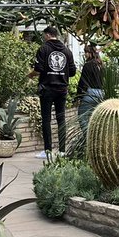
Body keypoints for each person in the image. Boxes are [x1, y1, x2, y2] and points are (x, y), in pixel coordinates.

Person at [30, 26, 75, 158]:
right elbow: (72, 72)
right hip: (62, 89)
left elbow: (38, 69)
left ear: (48, 35)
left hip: (47, 89)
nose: (44, 38)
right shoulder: (67, 51)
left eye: (45, 35)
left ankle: (48, 151)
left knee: (46, 120)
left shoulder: (43, 49)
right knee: (61, 119)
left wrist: (30, 75)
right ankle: (62, 151)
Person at [75, 43, 105, 131]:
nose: (85, 54)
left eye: (86, 52)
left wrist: (78, 96)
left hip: (90, 93)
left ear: (90, 53)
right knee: (96, 118)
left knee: (82, 117)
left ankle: (87, 138)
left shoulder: (88, 65)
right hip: (101, 93)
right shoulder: (101, 64)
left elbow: (83, 82)